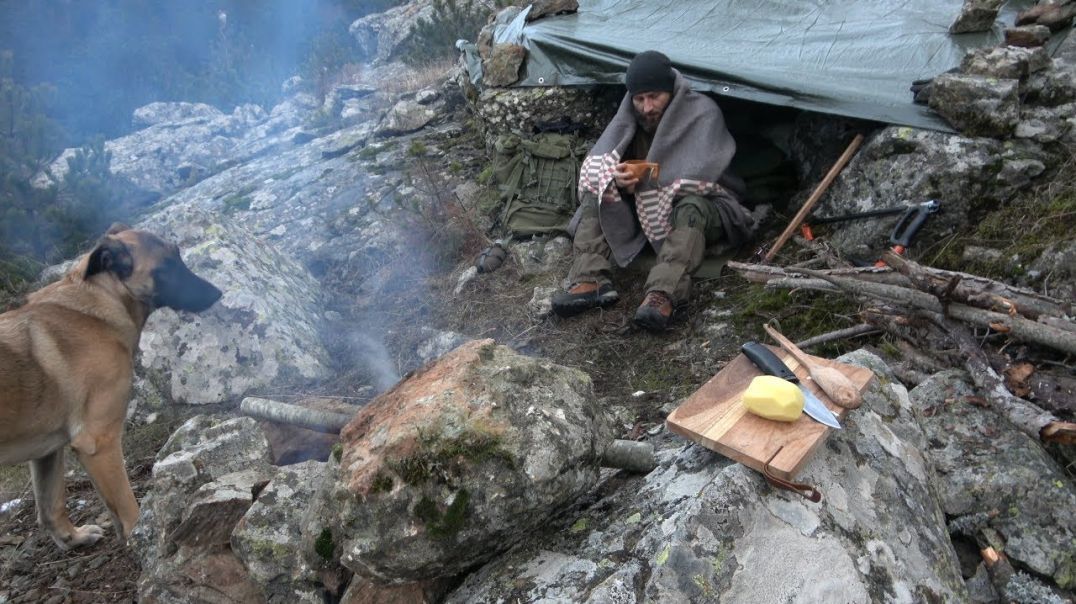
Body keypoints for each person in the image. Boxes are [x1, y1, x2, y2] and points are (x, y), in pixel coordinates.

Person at [551, 50, 756, 331]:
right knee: (597, 191)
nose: (647, 107)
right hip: (647, 209)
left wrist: (648, 178)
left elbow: (701, 174)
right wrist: (618, 181)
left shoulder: (702, 113)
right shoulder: (630, 120)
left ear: (670, 91)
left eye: (654, 97)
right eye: (639, 99)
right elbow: (603, 164)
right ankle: (590, 279)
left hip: (704, 206)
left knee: (691, 207)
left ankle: (663, 294)